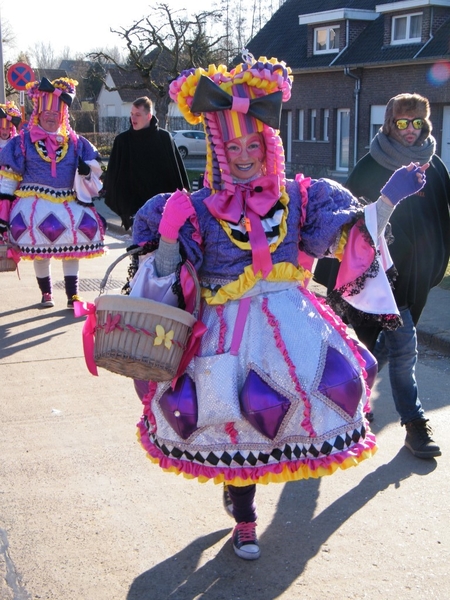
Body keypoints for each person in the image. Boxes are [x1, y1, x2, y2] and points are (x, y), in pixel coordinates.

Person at [126, 56, 426, 561]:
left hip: (291, 323)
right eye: (233, 146)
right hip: (224, 332)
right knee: (235, 419)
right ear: (218, 153)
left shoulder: (302, 198)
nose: (244, 156)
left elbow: (347, 244)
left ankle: (241, 501)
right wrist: (171, 237)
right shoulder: (192, 207)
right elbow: (163, 282)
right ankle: (245, 518)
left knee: (293, 414)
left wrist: (387, 203)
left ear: (269, 146)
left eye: (253, 144)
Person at [314, 93, 450, 459]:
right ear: (390, 123)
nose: (410, 130)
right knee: (393, 351)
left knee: (393, 352)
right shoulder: (371, 165)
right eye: (403, 122)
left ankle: (375, 412)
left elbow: (441, 216)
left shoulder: (433, 164)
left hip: (411, 278)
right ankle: (410, 423)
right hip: (375, 281)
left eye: (417, 122)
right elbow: (350, 225)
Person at [0, 77, 105, 308]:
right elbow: (8, 181)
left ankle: (72, 295)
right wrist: (2, 216)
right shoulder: (23, 142)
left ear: (63, 116)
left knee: (72, 248)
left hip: (69, 201)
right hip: (33, 202)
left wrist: (88, 169)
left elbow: (98, 168)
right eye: (47, 114)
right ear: (38, 112)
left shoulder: (76, 142)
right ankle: (47, 293)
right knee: (40, 251)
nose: (51, 117)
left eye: (55, 115)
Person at [103, 96, 190, 231]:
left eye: (138, 114)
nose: (133, 118)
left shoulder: (164, 138)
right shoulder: (122, 141)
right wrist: (124, 210)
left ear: (149, 116)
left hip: (163, 212)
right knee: (140, 250)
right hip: (134, 213)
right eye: (132, 114)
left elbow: (177, 174)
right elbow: (113, 179)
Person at [0, 101, 22, 235]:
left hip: (11, 183)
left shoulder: (15, 144)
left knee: (7, 204)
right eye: (2, 128)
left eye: (7, 128)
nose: (4, 131)